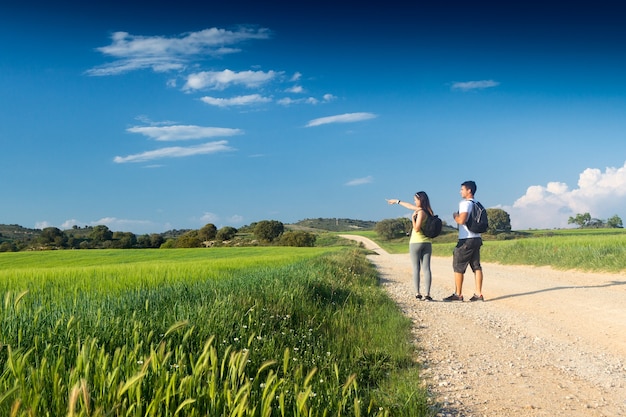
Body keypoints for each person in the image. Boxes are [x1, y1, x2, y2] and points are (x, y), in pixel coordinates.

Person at [386, 192, 434, 301]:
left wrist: (412, 218)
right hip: (427, 243)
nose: (414, 202)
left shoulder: (419, 212)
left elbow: (416, 228)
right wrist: (397, 201)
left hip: (416, 242)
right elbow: (409, 205)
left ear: (420, 200)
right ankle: (427, 294)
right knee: (427, 268)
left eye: (416, 200)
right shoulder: (429, 212)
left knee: (416, 268)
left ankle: (418, 293)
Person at [444, 180, 484, 302]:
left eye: (462, 189)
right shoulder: (478, 204)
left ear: (469, 190)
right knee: (476, 266)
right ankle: (478, 294)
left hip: (466, 239)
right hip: (477, 238)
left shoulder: (465, 203)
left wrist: (455, 215)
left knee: (458, 265)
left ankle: (458, 294)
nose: (460, 191)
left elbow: (461, 220)